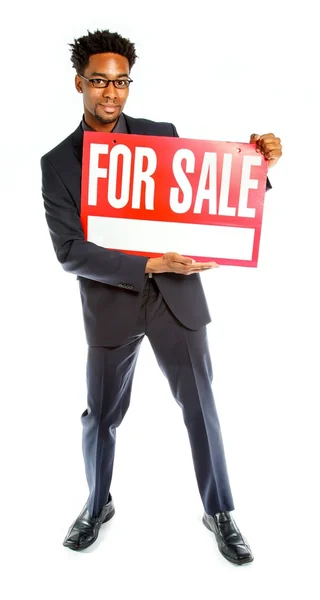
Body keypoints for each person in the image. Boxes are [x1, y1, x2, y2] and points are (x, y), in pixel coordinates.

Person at [40, 29, 282, 564]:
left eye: (121, 82)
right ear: (79, 82)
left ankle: (219, 510)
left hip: (177, 298)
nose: (110, 93)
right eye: (99, 81)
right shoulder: (57, 163)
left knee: (202, 407)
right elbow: (69, 251)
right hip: (110, 302)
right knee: (101, 414)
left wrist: (260, 168)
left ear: (129, 85)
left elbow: (206, 198)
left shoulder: (159, 136)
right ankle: (96, 502)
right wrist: (148, 262)